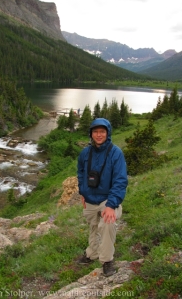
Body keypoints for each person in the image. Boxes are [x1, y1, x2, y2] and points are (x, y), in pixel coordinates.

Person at [77, 118, 128, 277]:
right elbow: (81, 173)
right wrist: (82, 192)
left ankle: (107, 260)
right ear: (91, 134)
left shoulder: (116, 153)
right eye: (95, 131)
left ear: (108, 133)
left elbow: (120, 180)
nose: (99, 135)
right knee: (93, 226)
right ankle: (91, 254)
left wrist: (111, 205)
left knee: (107, 223)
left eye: (102, 131)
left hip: (108, 198)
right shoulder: (85, 153)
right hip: (90, 198)